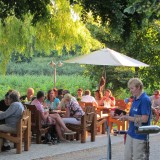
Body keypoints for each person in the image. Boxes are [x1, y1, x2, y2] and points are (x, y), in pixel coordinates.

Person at [118, 78, 151, 160]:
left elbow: (144, 119)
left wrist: (128, 117)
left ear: (139, 87)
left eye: (132, 88)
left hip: (140, 135)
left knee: (137, 157)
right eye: (130, 89)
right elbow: (134, 115)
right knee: (127, 157)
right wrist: (124, 116)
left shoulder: (145, 100)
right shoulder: (135, 99)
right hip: (131, 132)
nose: (130, 91)